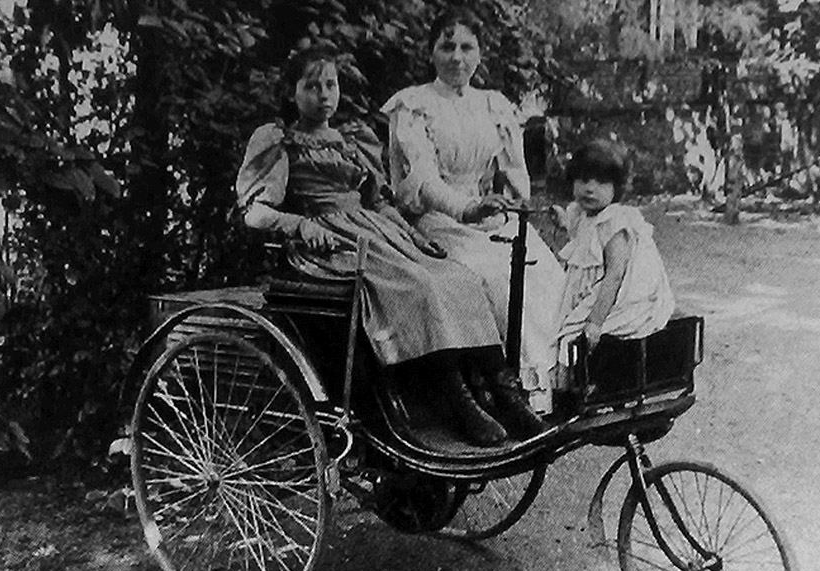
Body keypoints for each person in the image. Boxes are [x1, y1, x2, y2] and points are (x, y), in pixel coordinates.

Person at [235, 45, 545, 445]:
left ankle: (504, 393)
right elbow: (255, 212)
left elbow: (379, 201)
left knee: (457, 276)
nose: (324, 95)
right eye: (312, 86)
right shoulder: (281, 143)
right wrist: (300, 224)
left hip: (378, 232)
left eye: (331, 85)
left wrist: (414, 235)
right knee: (420, 285)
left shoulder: (351, 140)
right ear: (292, 92)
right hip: (328, 246)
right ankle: (455, 399)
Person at [381, 6, 565, 414]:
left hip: (488, 214)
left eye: (467, 47)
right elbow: (423, 179)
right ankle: (508, 391)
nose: (457, 58)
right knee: (496, 276)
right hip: (438, 220)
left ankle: (556, 386)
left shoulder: (493, 104)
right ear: (431, 52)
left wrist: (522, 207)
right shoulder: (413, 105)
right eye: (447, 47)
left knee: (542, 269)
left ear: (480, 53)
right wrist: (465, 208)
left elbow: (514, 171)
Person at [550, 140, 676, 387]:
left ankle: (574, 390)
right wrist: (563, 222)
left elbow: (615, 274)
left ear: (616, 188)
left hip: (615, 296)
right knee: (557, 327)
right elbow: (584, 241)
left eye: (600, 182)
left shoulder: (614, 220)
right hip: (588, 288)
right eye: (583, 180)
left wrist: (596, 321)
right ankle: (568, 389)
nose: (589, 189)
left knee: (571, 337)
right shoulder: (582, 213)